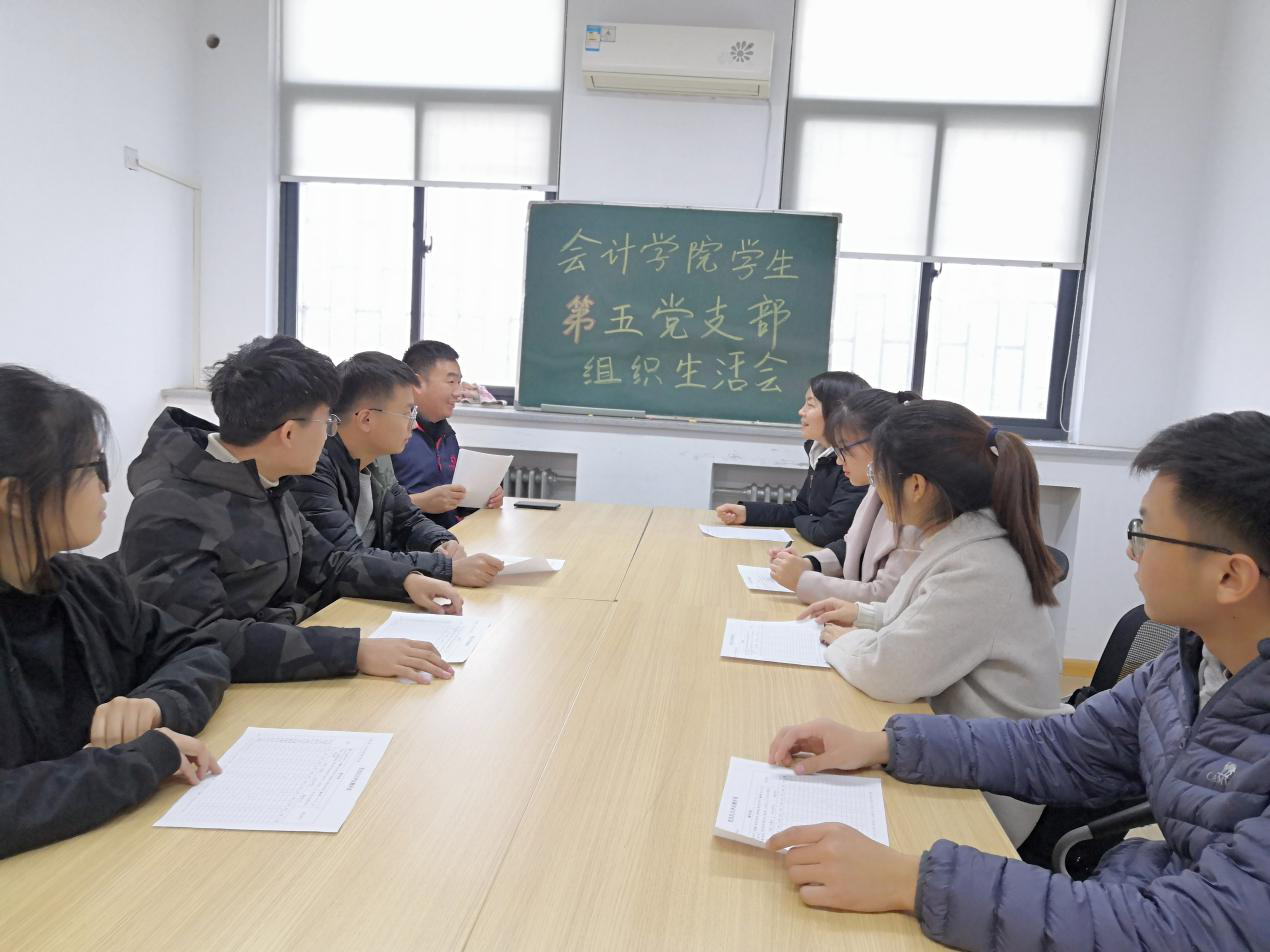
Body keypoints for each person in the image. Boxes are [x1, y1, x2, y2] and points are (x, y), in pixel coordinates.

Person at [765, 410, 1270, 952]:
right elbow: (1067, 749)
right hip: (1141, 887)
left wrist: (912, 882)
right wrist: (886, 744)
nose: (1131, 550)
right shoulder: (1192, 660)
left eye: (1144, 533)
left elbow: (1192, 928)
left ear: (1229, 576)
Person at [116, 336, 459, 686]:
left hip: (279, 664)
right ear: (290, 433)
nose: (329, 437)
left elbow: (328, 563)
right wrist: (353, 651)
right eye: (327, 424)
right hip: (213, 690)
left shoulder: (264, 481)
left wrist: (406, 580)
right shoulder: (171, 511)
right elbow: (204, 638)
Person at [797, 400, 1066, 843]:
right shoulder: (961, 539)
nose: (876, 487)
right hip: (958, 747)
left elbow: (890, 672)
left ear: (917, 486)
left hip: (993, 793)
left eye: (880, 474)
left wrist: (843, 642)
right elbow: (919, 616)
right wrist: (863, 615)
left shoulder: (980, 566)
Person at [0, 366, 229, 859]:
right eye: (90, 468)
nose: (107, 487)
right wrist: (141, 758)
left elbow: (198, 650)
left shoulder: (88, 585)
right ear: (14, 498)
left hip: (106, 854)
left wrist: (155, 703)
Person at [291, 351, 505, 588]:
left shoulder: (378, 459)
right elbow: (347, 557)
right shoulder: (314, 467)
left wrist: (442, 543)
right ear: (366, 419)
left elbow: (408, 519)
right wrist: (445, 570)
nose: (413, 424)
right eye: (406, 413)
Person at [768, 388, 922, 603]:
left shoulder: (915, 509)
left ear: (879, 443)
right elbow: (851, 546)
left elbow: (885, 596)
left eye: (843, 450)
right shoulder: (876, 487)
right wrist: (809, 563)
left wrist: (802, 581)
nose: (839, 461)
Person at [714, 371, 871, 546]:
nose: (801, 411)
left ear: (836, 412)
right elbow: (801, 509)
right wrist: (747, 513)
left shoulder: (855, 465)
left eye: (810, 405)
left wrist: (802, 519)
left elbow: (828, 532)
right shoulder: (819, 453)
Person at [392, 340, 504, 529]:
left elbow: (456, 503)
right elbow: (372, 507)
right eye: (451, 382)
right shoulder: (390, 434)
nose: (458, 393)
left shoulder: (446, 434)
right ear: (417, 383)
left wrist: (486, 496)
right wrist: (420, 502)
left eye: (459, 382)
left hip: (452, 536)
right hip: (413, 540)